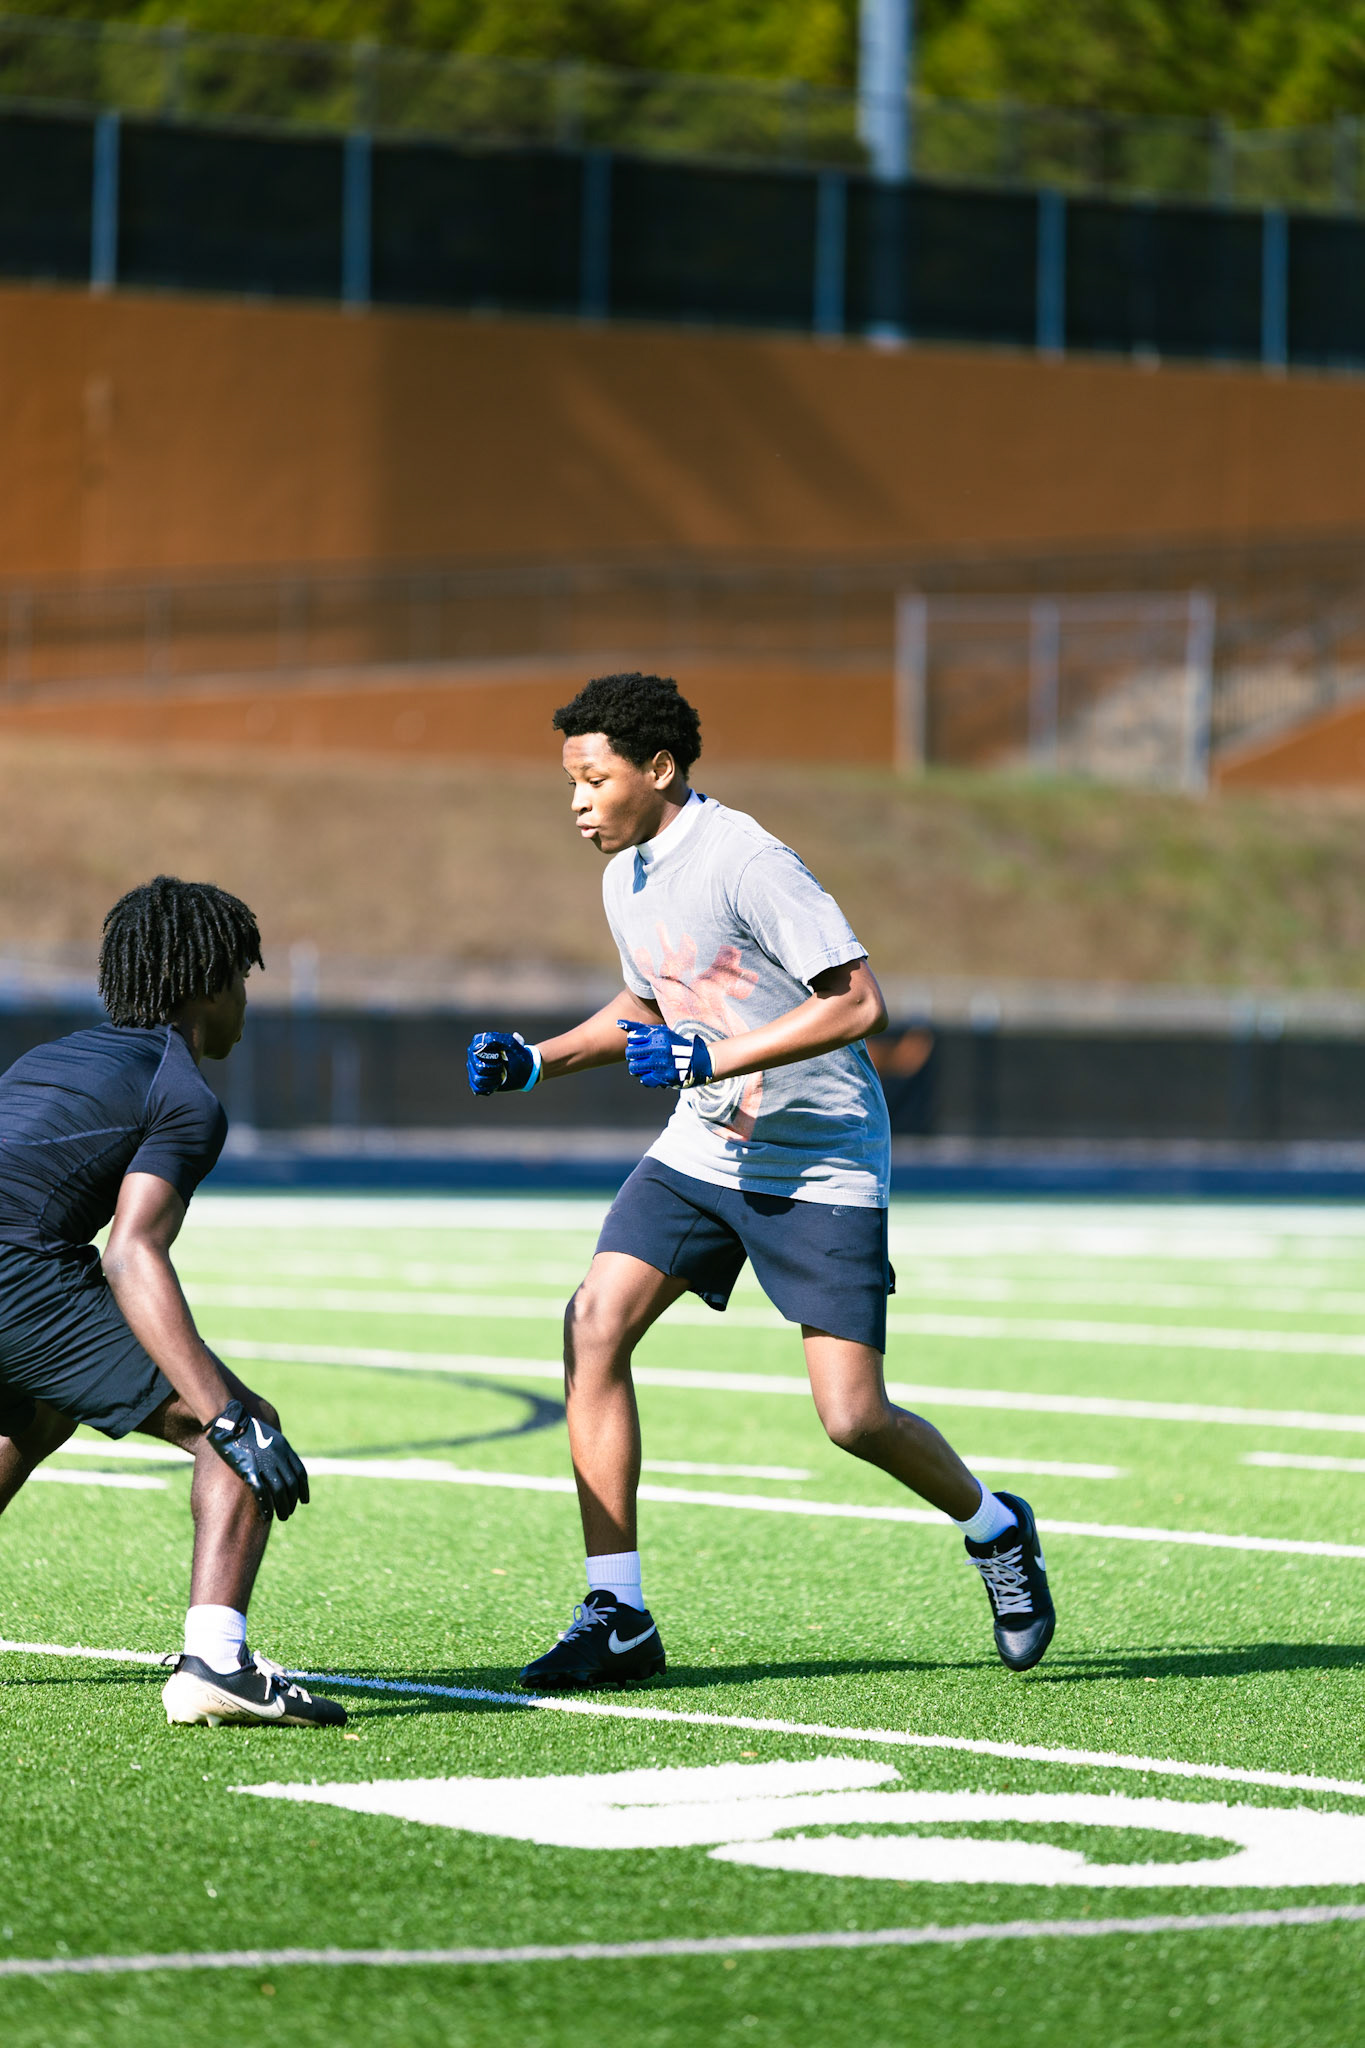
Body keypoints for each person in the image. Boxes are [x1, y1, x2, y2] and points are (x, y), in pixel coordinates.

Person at [467, 673, 1055, 1691]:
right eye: (570, 781)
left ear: (658, 769)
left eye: (593, 780)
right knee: (593, 1323)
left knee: (853, 1418)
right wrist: (537, 1060)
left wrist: (712, 1056)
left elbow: (858, 1003)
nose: (577, 802)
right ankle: (618, 1613)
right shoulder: (625, 875)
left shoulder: (748, 859)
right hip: (701, 1150)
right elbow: (648, 1006)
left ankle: (995, 1525)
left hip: (818, 1156)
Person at [0, 875, 346, 1730]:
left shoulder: (46, 1058)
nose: (245, 1002)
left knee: (37, 1411)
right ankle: (216, 1664)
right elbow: (132, 1252)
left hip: (17, 1266)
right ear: (208, 985)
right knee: (239, 1430)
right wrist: (223, 1412)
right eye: (243, 980)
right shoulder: (182, 1092)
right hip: (16, 1276)